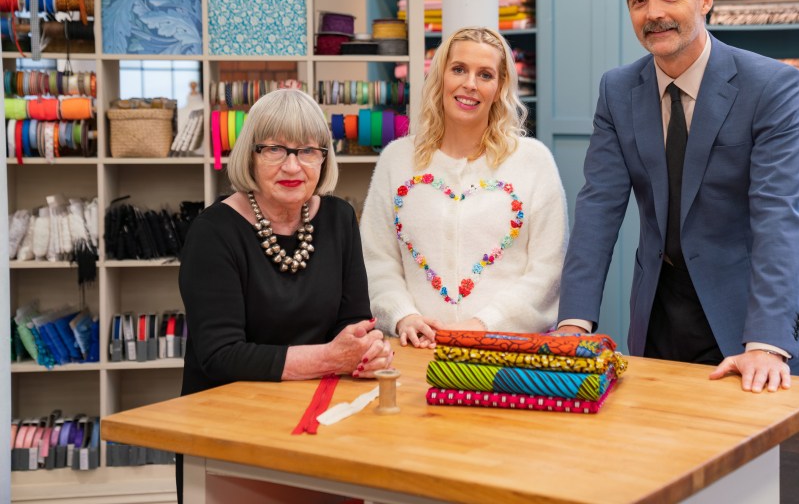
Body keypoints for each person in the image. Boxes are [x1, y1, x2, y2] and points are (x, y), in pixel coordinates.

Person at [555, 0, 799, 392]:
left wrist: (766, 343)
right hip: (656, 316)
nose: (653, 12)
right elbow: (599, 207)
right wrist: (573, 323)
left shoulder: (771, 86)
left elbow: (780, 216)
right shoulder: (617, 90)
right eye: (639, 0)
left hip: (745, 321)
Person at [177, 88, 391, 500]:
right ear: (251, 156)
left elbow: (354, 320)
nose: (293, 165)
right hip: (228, 429)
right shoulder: (213, 232)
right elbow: (220, 355)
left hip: (320, 417)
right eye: (275, 149)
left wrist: (364, 350)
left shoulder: (339, 218)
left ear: (324, 158)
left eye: (308, 150)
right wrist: (331, 357)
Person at [361, 26, 568, 347]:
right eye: (459, 70)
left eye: (485, 75)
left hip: (505, 350)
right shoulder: (396, 159)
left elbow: (548, 271)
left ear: (500, 88)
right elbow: (377, 259)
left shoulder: (533, 162)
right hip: (415, 349)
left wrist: (482, 325)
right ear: (440, 77)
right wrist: (404, 315)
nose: (470, 84)